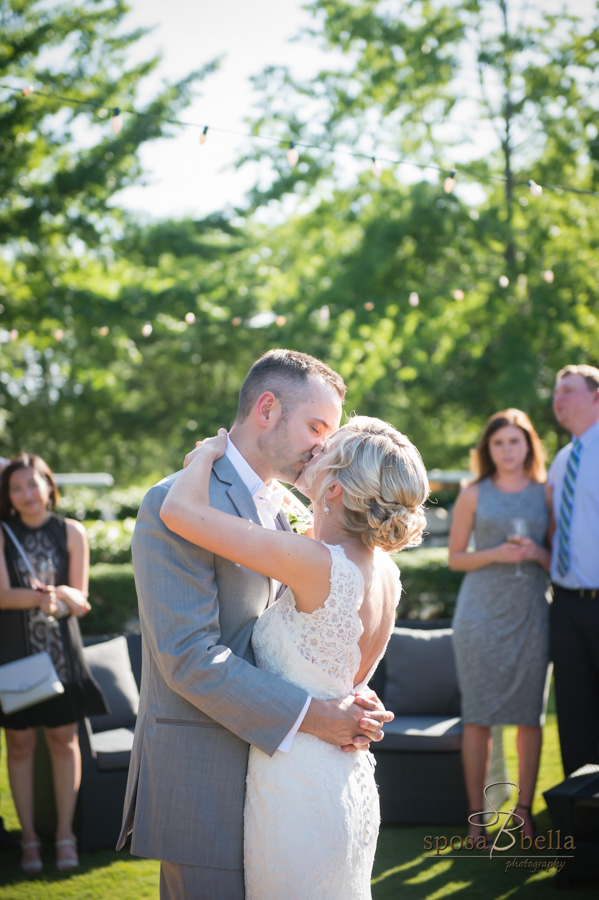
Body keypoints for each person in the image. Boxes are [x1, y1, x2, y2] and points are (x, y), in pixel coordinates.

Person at [117, 349, 396, 900]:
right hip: (206, 774)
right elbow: (188, 657)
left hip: (283, 781)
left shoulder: (288, 509)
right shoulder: (172, 503)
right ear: (267, 408)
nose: (323, 445)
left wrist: (343, 692)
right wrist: (318, 715)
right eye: (316, 426)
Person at [160, 415, 428, 899]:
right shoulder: (382, 569)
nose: (315, 449)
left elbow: (179, 511)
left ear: (335, 490)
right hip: (345, 777)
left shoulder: (313, 563)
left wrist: (204, 455)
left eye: (328, 449)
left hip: (297, 781)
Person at [0, 454, 108, 873]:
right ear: (8, 495)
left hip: (63, 659)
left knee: (65, 744)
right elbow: (4, 596)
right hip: (14, 657)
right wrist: (49, 596)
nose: (26, 494)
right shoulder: (3, 533)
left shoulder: (71, 531)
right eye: (16, 487)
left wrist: (60, 592)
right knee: (20, 746)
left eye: (33, 484)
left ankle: (65, 836)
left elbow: (79, 601)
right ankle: (29, 840)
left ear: (48, 485)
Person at [448, 409, 552, 844]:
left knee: (530, 717)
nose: (508, 449)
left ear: (529, 445)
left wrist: (535, 555)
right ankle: (479, 818)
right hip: (479, 617)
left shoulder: (547, 493)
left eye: (515, 441)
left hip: (531, 613)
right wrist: (494, 553)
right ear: (487, 450)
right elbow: (455, 558)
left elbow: (558, 561)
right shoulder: (473, 493)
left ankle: (523, 813)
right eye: (499, 442)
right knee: (479, 717)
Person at [547, 364, 599, 776]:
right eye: (556, 392)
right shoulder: (563, 459)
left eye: (568, 390)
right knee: (574, 708)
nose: (558, 398)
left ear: (595, 396)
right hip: (564, 602)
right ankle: (579, 812)